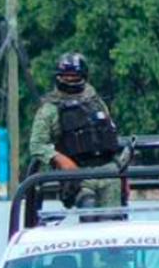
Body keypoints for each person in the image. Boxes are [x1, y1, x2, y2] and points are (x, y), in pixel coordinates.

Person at [26, 53, 121, 208]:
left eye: (74, 76)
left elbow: (110, 137)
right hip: (78, 174)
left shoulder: (96, 102)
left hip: (109, 171)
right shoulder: (50, 108)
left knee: (113, 218)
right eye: (66, 76)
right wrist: (61, 160)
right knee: (88, 211)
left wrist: (122, 172)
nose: (70, 79)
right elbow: (36, 145)